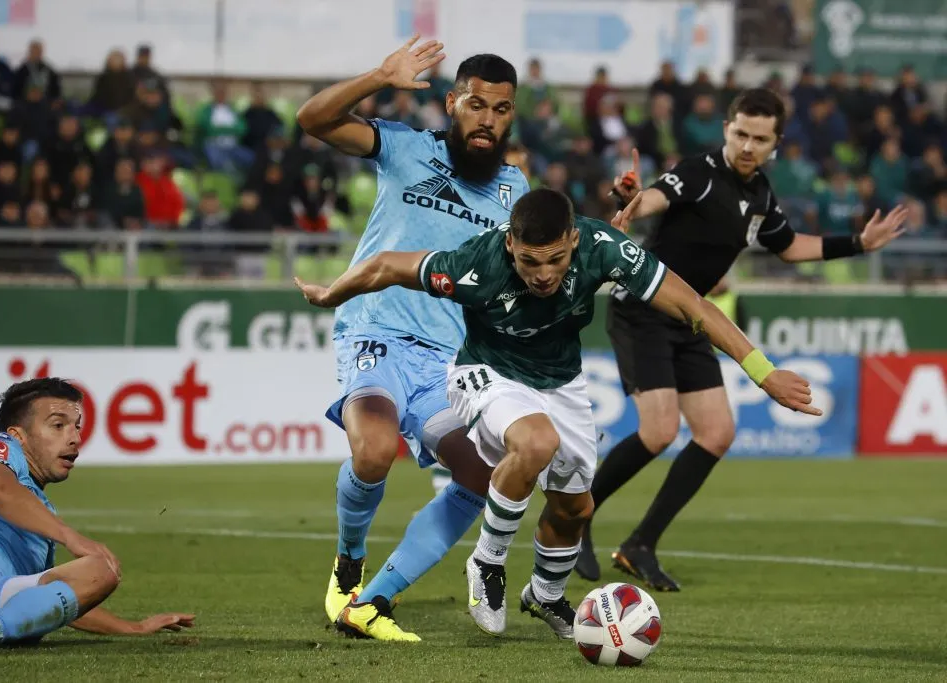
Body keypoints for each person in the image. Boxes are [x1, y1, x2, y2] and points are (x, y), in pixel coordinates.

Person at [295, 187, 818, 637]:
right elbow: (387, 265)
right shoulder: (476, 265)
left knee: (575, 509)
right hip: (487, 373)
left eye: (555, 259)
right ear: (510, 246)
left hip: (562, 382)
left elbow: (694, 307)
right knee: (535, 442)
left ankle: (545, 594)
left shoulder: (603, 248)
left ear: (573, 240)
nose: (543, 274)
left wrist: (762, 371)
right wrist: (329, 295)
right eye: (529, 261)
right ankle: (488, 563)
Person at [576, 88, 909, 590]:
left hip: (693, 320)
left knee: (717, 434)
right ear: (727, 129)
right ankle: (576, 516)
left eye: (760, 138)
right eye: (740, 134)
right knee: (660, 430)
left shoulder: (761, 194)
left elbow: (790, 246)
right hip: (644, 309)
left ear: (775, 143)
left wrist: (858, 242)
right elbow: (652, 199)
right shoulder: (698, 172)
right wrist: (629, 196)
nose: (748, 146)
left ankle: (641, 543)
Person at [295, 37, 529, 640]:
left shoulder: (513, 191)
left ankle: (372, 602)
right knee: (373, 452)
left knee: (479, 478)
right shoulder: (402, 147)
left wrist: (607, 223)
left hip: (447, 365)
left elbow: (540, 265)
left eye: (501, 110)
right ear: (452, 103)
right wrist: (380, 74)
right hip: (375, 333)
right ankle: (349, 563)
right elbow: (313, 120)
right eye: (476, 105)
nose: (488, 120)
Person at [0, 379, 194, 654]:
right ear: (18, 436)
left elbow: (52, 603)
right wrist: (70, 537)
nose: (74, 438)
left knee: (101, 570)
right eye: (58, 425)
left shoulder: (40, 516)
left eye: (77, 426)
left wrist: (133, 628)